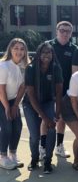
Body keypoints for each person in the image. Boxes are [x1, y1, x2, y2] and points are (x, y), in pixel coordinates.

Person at [23, 42, 63, 173]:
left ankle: (47, 161)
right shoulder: (31, 68)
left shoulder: (56, 68)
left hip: (47, 102)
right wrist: (45, 118)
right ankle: (34, 159)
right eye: (44, 52)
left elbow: (58, 92)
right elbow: (31, 94)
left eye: (49, 52)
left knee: (51, 130)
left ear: (52, 54)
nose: (47, 55)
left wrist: (57, 114)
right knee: (35, 135)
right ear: (39, 54)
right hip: (30, 104)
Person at [45, 21, 77, 159]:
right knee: (45, 119)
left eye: (68, 31)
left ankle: (59, 146)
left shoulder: (74, 49)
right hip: (47, 89)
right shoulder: (47, 46)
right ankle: (43, 147)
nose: (65, 33)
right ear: (56, 30)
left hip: (65, 90)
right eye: (62, 30)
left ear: (71, 33)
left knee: (61, 119)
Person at [0, 38, 29, 170]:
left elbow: (23, 87)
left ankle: (12, 154)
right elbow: (1, 89)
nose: (19, 51)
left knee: (17, 126)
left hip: (13, 100)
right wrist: (7, 107)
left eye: (22, 49)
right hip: (2, 99)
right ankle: (3, 157)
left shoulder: (24, 66)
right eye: (16, 48)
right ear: (10, 49)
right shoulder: (3, 66)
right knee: (7, 127)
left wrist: (15, 105)